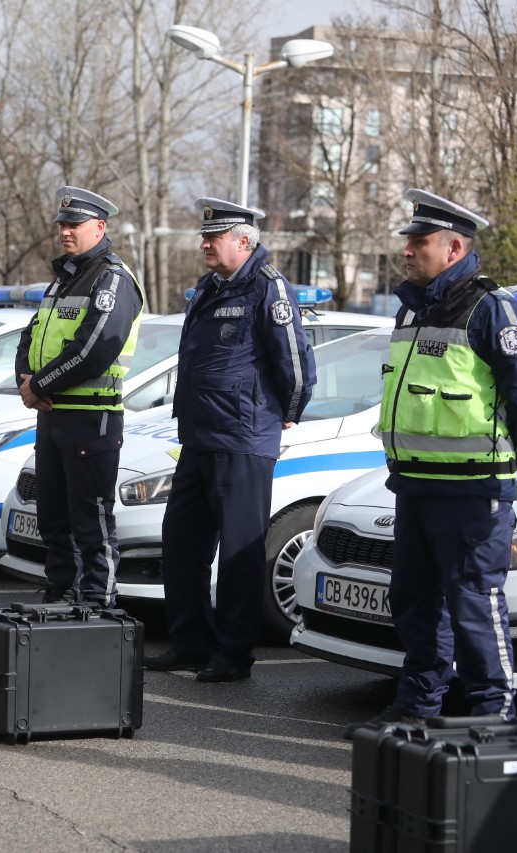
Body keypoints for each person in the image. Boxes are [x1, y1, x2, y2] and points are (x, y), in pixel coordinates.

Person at [343, 189, 517, 737]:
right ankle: (417, 709)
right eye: (409, 241)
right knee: (415, 603)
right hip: (414, 487)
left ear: (454, 247)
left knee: (474, 607)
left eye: (419, 242)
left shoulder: (489, 308)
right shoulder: (411, 308)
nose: (407, 251)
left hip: (473, 493)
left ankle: (496, 719)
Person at [145, 198, 316, 682]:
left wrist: (288, 412)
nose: (204, 244)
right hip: (199, 435)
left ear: (243, 241)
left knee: (240, 553)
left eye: (213, 237)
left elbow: (296, 361)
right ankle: (189, 641)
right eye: (204, 236)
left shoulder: (268, 287)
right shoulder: (208, 288)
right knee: (181, 545)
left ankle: (234, 653)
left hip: (242, 437)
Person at [15, 187, 144, 605]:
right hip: (53, 415)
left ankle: (96, 603)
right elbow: (31, 335)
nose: (65, 232)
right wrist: (25, 377)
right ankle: (61, 593)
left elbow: (94, 349)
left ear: (100, 227)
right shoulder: (64, 278)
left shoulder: (112, 278)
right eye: (62, 225)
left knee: (91, 519)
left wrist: (37, 386)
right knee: (53, 516)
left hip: (92, 418)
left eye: (74, 225)